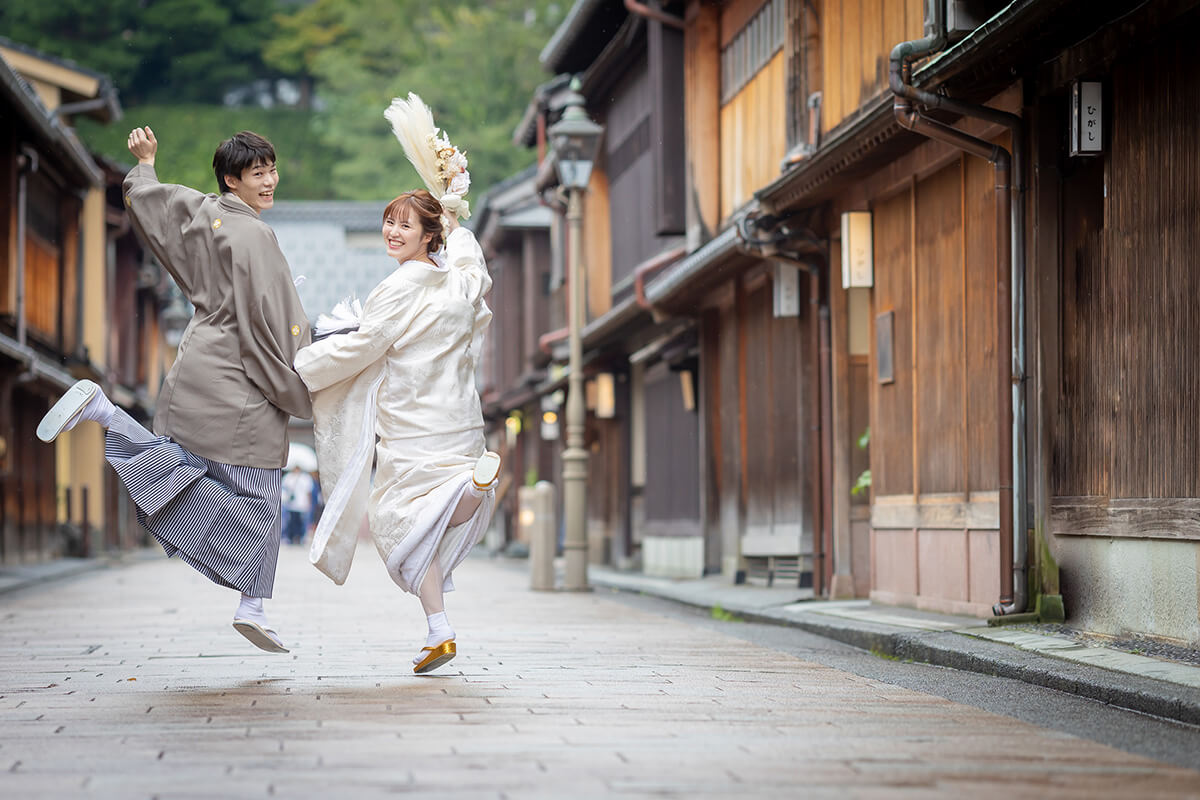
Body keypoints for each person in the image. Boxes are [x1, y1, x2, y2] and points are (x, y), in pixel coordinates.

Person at [36, 127, 312, 654]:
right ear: (233, 180)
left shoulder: (204, 211)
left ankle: (108, 415)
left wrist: (145, 163)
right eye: (259, 174)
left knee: (177, 473)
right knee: (259, 497)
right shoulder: (254, 235)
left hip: (195, 363)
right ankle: (252, 605)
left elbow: (150, 201)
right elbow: (275, 316)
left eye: (272, 171)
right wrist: (310, 365)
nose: (270, 181)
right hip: (239, 375)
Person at [295, 190, 499, 674]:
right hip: (461, 419)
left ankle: (469, 490)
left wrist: (304, 366)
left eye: (404, 225)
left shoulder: (399, 285)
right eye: (388, 221)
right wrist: (456, 226)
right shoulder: (458, 280)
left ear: (428, 235)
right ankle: (438, 629)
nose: (391, 231)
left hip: (412, 423)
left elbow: (366, 345)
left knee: (394, 520)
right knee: (423, 526)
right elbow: (476, 271)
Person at [281, 466, 315, 545]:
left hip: (302, 504)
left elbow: (308, 492)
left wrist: (309, 503)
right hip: (290, 504)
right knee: (291, 522)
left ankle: (300, 537)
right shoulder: (288, 477)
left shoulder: (306, 478)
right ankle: (291, 537)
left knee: (301, 522)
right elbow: (284, 489)